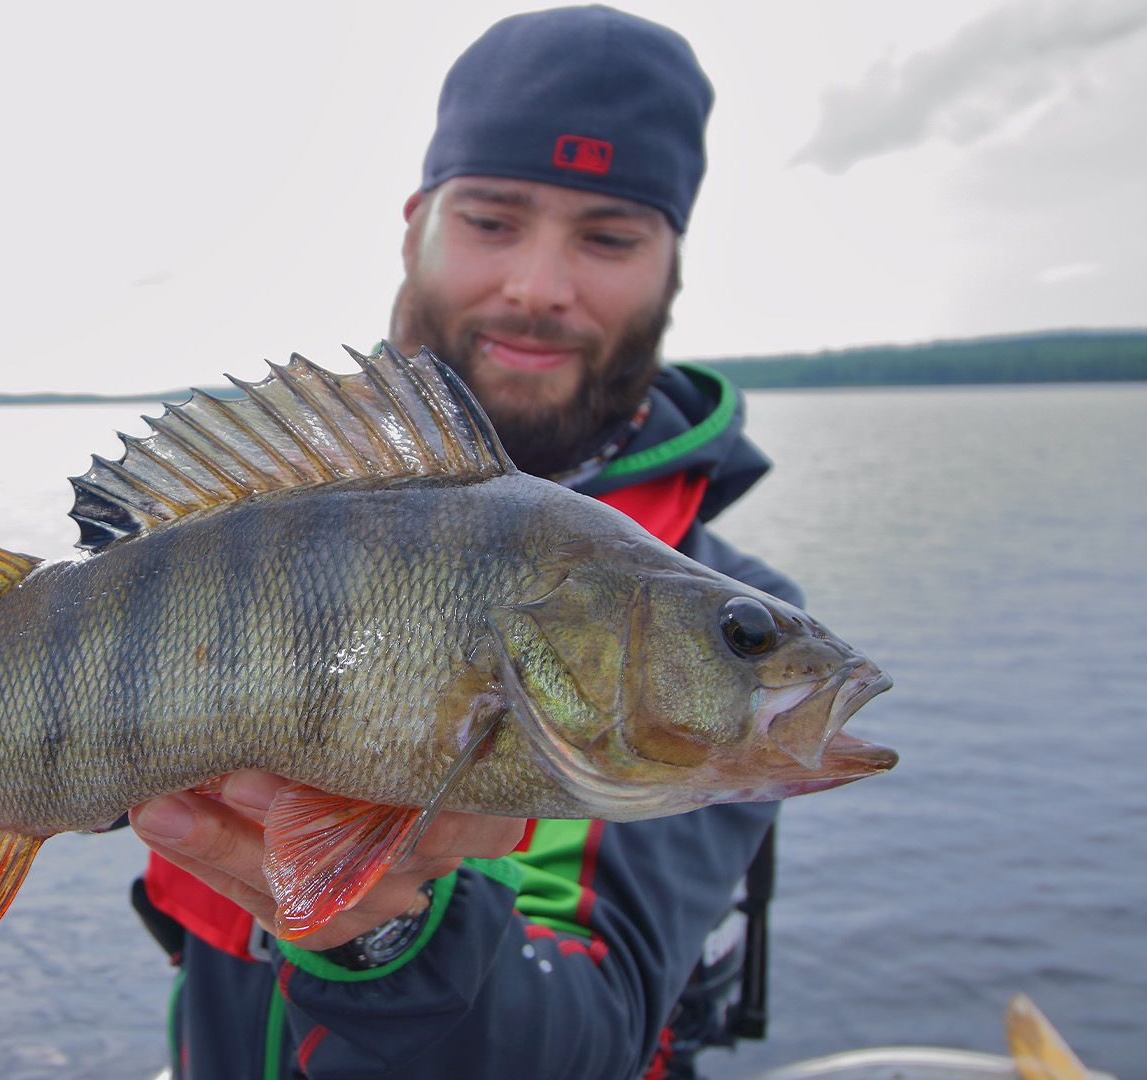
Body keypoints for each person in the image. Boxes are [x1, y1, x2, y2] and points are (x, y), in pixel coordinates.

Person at [126, 7, 800, 1078]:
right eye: (492, 219)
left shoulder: (704, 634)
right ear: (416, 228)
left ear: (672, 266)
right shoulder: (239, 520)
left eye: (610, 237)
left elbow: (592, 1031)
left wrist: (391, 933)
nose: (537, 286)